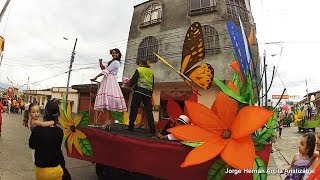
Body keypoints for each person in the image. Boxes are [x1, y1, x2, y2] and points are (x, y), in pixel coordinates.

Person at [91, 48, 127, 129]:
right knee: (107, 102)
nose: (114, 54)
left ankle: (108, 121)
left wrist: (95, 77)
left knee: (108, 101)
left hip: (110, 81)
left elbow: (106, 71)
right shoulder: (112, 62)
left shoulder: (116, 62)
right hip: (107, 80)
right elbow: (104, 69)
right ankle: (108, 122)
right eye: (113, 53)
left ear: (119, 54)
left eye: (116, 53)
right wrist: (100, 63)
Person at [28, 103, 64, 180]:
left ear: (45, 113)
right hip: (58, 170)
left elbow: (31, 145)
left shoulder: (38, 130)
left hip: (43, 172)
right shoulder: (60, 131)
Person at [128, 59, 156, 134]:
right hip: (148, 93)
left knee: (134, 108)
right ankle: (152, 129)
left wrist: (129, 84)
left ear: (140, 63)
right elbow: (152, 84)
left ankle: (131, 126)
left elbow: (133, 80)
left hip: (139, 91)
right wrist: (150, 93)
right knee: (149, 111)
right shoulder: (151, 72)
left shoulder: (139, 69)